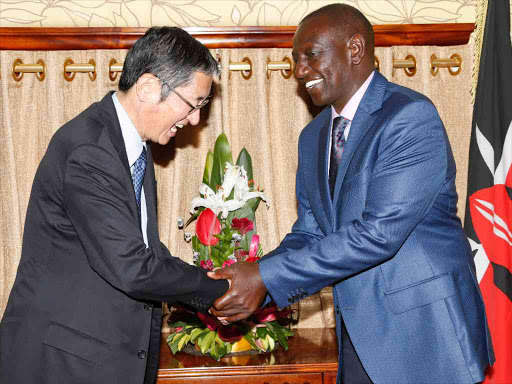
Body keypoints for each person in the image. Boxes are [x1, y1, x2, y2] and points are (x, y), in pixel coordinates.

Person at [209, 4, 495, 383]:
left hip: (426, 338)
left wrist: (265, 276)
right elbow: (310, 233)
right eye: (296, 60)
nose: (300, 71)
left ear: (355, 49)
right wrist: (253, 284)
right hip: (359, 335)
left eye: (311, 55)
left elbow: (377, 235)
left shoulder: (409, 117)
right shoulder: (312, 138)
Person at [0, 27, 228, 384]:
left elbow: (146, 251)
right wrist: (219, 290)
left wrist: (212, 286)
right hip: (60, 363)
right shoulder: (90, 150)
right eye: (194, 103)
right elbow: (132, 267)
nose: (196, 119)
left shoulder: (130, 146)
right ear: (149, 87)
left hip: (99, 360)